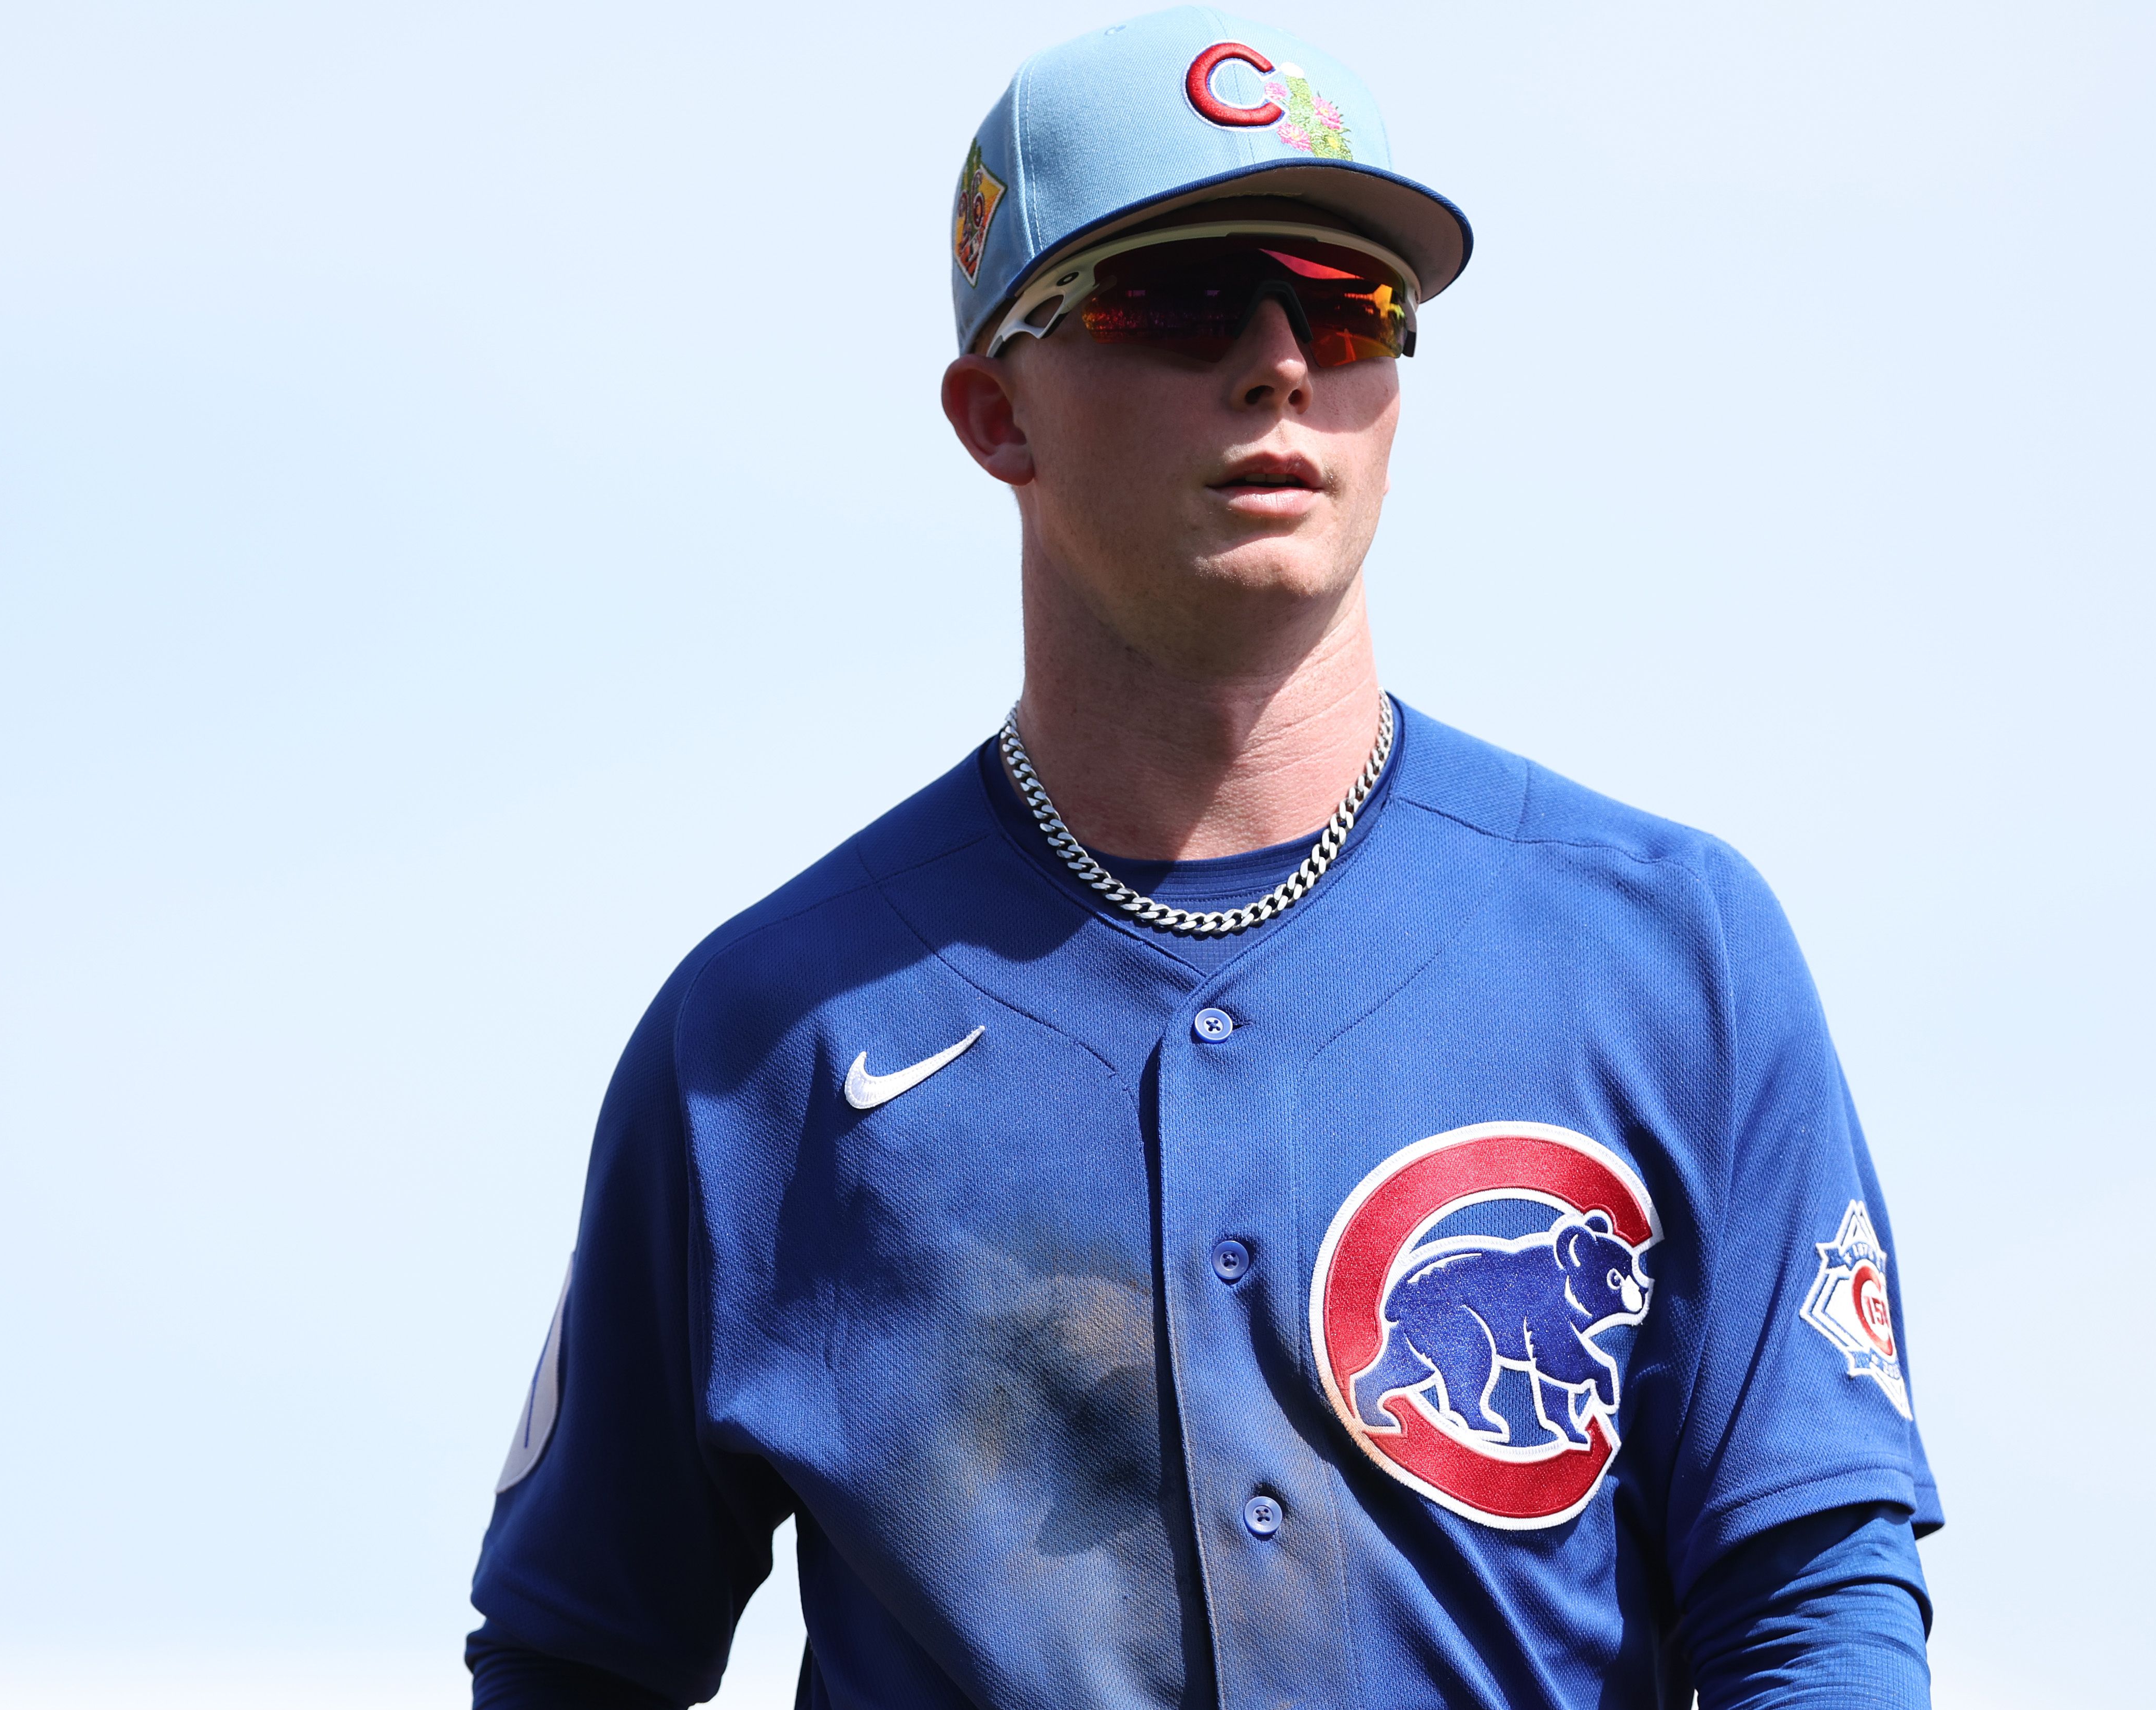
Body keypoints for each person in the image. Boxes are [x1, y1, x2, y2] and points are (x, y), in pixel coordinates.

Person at [466, 9, 1942, 1707]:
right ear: (994, 415)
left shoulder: (1668, 951)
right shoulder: (765, 1039)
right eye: (1177, 300)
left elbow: (1809, 1600)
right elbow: (576, 1651)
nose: (1280, 364)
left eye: (1348, 304)